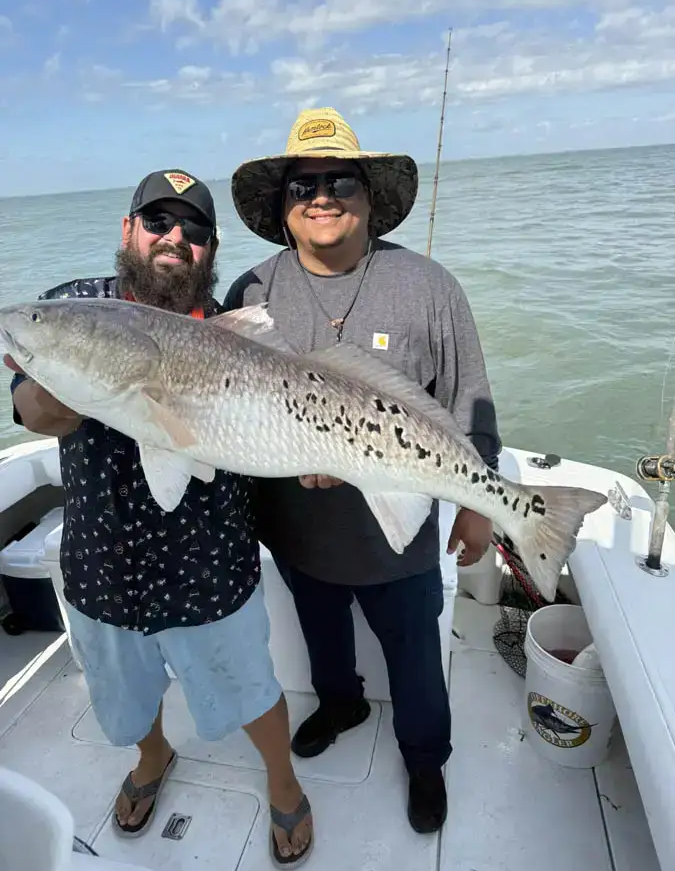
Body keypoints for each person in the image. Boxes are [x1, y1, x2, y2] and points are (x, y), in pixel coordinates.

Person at [4, 169, 313, 868]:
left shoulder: (233, 323)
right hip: (101, 567)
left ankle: (284, 781)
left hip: (211, 569)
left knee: (251, 690)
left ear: (209, 249)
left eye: (195, 231)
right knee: (126, 694)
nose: (175, 239)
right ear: (128, 230)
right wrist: (96, 376)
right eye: (158, 222)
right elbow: (31, 407)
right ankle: (153, 758)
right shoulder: (75, 305)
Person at [224, 108, 502, 835]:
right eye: (302, 183)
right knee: (322, 638)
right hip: (293, 529)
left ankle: (423, 758)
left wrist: (480, 503)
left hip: (398, 533)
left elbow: (468, 393)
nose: (321, 195)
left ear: (369, 197)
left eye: (339, 179)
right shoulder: (248, 294)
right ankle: (340, 703)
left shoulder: (428, 285)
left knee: (412, 655)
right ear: (281, 206)